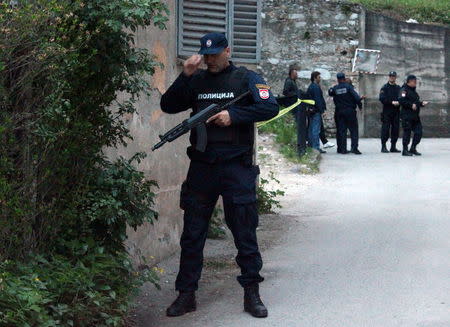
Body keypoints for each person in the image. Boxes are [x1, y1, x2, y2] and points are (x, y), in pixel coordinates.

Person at [160, 33, 278, 318]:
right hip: (202, 167)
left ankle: (252, 294)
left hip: (236, 167)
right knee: (192, 235)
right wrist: (185, 74)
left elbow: (269, 106)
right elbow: (168, 105)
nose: (209, 60)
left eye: (214, 54)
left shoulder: (246, 78)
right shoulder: (197, 80)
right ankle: (186, 294)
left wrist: (233, 116)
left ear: (228, 51)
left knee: (244, 233)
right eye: (205, 55)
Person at [328, 72, 363, 154]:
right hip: (350, 111)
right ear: (344, 78)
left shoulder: (335, 88)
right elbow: (357, 98)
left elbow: (330, 92)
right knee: (353, 130)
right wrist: (360, 105)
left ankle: (342, 149)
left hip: (339, 112)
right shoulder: (349, 87)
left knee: (342, 131)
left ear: (337, 79)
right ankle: (354, 148)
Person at [398, 75, 428, 156]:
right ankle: (405, 150)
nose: (415, 83)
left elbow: (416, 102)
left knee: (419, 132)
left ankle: (413, 148)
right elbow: (401, 100)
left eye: (415, 81)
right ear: (409, 82)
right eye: (414, 81)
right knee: (407, 133)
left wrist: (421, 103)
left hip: (415, 117)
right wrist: (410, 105)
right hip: (407, 116)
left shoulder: (414, 91)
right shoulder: (404, 90)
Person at [283, 67, 308, 156]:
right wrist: (296, 95)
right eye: (295, 73)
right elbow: (285, 92)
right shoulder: (289, 81)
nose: (297, 75)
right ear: (291, 74)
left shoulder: (293, 82)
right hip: (292, 105)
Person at [379, 71, 401, 153]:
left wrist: (399, 102)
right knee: (385, 129)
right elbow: (382, 98)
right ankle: (383, 146)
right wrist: (391, 102)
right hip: (387, 112)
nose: (392, 77)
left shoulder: (398, 88)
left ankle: (393, 147)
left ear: (395, 77)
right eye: (391, 76)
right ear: (389, 77)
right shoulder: (384, 87)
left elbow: (402, 97)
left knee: (395, 129)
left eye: (393, 76)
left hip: (396, 112)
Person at [307, 71, 327, 153]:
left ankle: (312, 145)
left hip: (312, 111)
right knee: (316, 129)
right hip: (316, 111)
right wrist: (322, 111)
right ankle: (315, 147)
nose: (320, 79)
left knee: (312, 129)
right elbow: (318, 100)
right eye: (319, 77)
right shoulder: (315, 87)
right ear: (315, 78)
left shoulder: (311, 86)